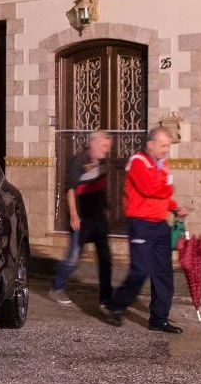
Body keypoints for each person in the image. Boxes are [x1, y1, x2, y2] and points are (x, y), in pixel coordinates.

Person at [107, 128, 190, 333]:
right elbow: (150, 189)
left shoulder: (162, 164)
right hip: (141, 224)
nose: (166, 150)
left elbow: (162, 195)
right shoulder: (138, 162)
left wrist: (175, 207)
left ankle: (159, 319)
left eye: (168, 146)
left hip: (160, 224)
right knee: (141, 270)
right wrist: (169, 189)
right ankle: (116, 305)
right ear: (150, 144)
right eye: (163, 145)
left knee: (163, 274)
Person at [48, 130, 113, 307]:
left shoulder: (102, 162)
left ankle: (106, 297)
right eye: (104, 145)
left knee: (105, 258)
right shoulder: (78, 160)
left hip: (98, 218)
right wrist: (74, 215)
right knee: (74, 256)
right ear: (93, 143)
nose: (107, 150)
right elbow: (70, 189)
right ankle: (56, 288)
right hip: (83, 219)